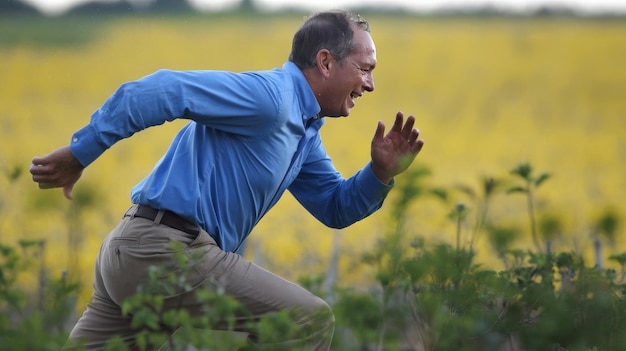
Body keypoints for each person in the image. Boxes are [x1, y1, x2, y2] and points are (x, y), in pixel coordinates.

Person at [30, 9, 424, 351]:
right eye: (364, 69)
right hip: (165, 253)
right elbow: (164, 89)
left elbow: (335, 206)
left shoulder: (304, 132)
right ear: (325, 62)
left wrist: (380, 173)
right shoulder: (271, 98)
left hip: (130, 250)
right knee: (308, 321)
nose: (370, 85)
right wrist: (81, 152)